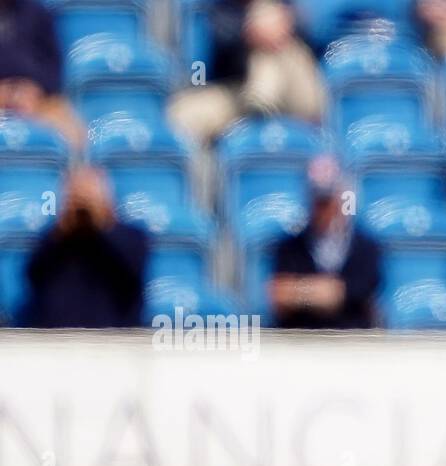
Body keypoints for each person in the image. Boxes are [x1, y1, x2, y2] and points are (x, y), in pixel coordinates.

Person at [168, 0, 326, 147]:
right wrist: (249, 32)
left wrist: (284, 24)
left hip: (293, 94)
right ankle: (259, 111)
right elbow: (204, 67)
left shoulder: (289, 9)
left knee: (266, 23)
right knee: (182, 113)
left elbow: (318, 38)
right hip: (237, 94)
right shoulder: (219, 10)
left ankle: (262, 105)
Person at [23, 166, 149, 328]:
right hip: (57, 339)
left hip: (113, 339)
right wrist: (63, 228)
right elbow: (34, 275)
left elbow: (133, 271)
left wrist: (101, 225)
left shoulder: (133, 237)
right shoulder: (55, 239)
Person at [269, 155, 382, 329]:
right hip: (301, 342)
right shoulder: (290, 247)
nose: (322, 209)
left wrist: (299, 292)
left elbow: (360, 292)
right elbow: (280, 296)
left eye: (327, 201)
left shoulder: (365, 247)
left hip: (352, 343)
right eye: (318, 201)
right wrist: (319, 292)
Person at [0, 0, 84, 150]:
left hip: (36, 97)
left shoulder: (36, 13)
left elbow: (54, 68)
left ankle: (72, 171)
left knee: (71, 129)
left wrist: (33, 89)